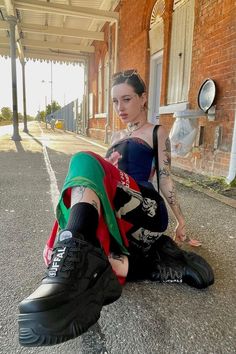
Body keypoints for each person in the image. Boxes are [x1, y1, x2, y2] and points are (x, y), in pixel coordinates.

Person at [18, 70, 214, 347]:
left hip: (144, 207)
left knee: (84, 160)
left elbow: (166, 178)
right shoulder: (116, 136)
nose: (120, 108)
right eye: (114, 102)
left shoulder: (157, 132)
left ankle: (78, 250)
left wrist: (180, 221)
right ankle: (87, 268)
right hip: (117, 213)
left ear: (143, 99)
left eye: (127, 99)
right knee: (78, 193)